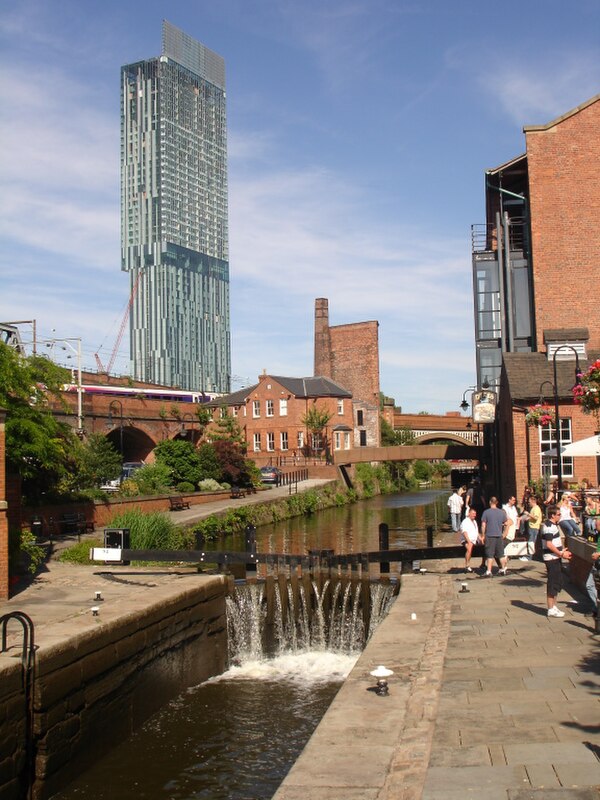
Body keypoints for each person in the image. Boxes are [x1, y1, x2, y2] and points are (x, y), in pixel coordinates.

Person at [541, 505, 572, 617]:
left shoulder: (553, 525)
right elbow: (549, 544)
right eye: (558, 514)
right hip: (552, 559)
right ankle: (550, 608)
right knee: (553, 583)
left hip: (555, 557)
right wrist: (561, 553)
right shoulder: (549, 527)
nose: (560, 516)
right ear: (553, 515)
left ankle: (554, 606)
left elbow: (552, 543)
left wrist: (560, 550)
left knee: (557, 582)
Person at [480, 496, 509, 577]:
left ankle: (489, 571)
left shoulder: (486, 512)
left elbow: (483, 525)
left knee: (490, 555)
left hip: (490, 535)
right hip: (499, 535)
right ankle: (503, 569)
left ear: (490, 502)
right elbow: (507, 523)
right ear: (497, 503)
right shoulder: (501, 512)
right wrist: (504, 532)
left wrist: (483, 535)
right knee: (501, 554)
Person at [520, 495, 542, 561]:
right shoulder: (533, 508)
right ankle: (529, 556)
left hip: (534, 528)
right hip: (532, 527)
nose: (529, 503)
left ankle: (529, 557)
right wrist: (528, 518)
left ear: (533, 501)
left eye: (529, 502)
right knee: (531, 542)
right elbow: (533, 517)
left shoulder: (536, 508)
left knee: (531, 542)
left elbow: (535, 517)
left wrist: (528, 514)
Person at [460, 507, 480, 573]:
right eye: (473, 514)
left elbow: (476, 532)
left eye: (475, 514)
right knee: (469, 547)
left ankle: (483, 564)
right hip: (466, 540)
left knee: (485, 545)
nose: (474, 515)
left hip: (474, 540)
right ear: (469, 514)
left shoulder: (474, 521)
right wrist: (468, 541)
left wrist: (481, 538)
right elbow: (464, 532)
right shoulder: (465, 522)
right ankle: (467, 565)